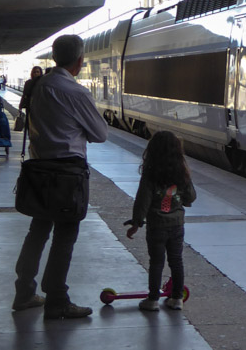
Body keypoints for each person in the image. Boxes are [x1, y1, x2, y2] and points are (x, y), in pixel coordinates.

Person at [12, 35, 108, 319]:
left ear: (54, 57)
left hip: (39, 169)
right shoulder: (76, 92)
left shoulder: (38, 85)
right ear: (79, 61)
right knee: (65, 236)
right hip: (67, 174)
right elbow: (101, 134)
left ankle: (24, 292)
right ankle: (57, 299)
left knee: (38, 232)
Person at [125, 131, 197, 311]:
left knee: (156, 262)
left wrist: (136, 223)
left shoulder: (150, 174)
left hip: (157, 226)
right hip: (177, 225)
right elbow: (191, 196)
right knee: (176, 261)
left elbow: (143, 200)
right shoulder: (182, 173)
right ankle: (177, 298)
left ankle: (153, 300)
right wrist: (182, 201)